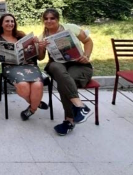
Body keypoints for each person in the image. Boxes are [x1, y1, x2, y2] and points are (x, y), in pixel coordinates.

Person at [38, 8, 93, 136]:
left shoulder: (71, 28)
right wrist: (41, 48)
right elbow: (40, 58)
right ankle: (80, 107)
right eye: (46, 18)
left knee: (67, 82)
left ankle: (69, 121)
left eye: (52, 18)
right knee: (56, 68)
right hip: (57, 65)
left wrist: (87, 55)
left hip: (78, 64)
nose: (49, 21)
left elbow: (88, 41)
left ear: (58, 19)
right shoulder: (42, 36)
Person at [0, 14, 48, 121]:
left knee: (38, 84)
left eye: (12, 21)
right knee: (23, 85)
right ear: (1, 24)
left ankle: (32, 109)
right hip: (11, 67)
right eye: (7, 21)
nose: (10, 23)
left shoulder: (22, 36)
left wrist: (39, 47)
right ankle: (36, 103)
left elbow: (40, 57)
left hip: (29, 65)